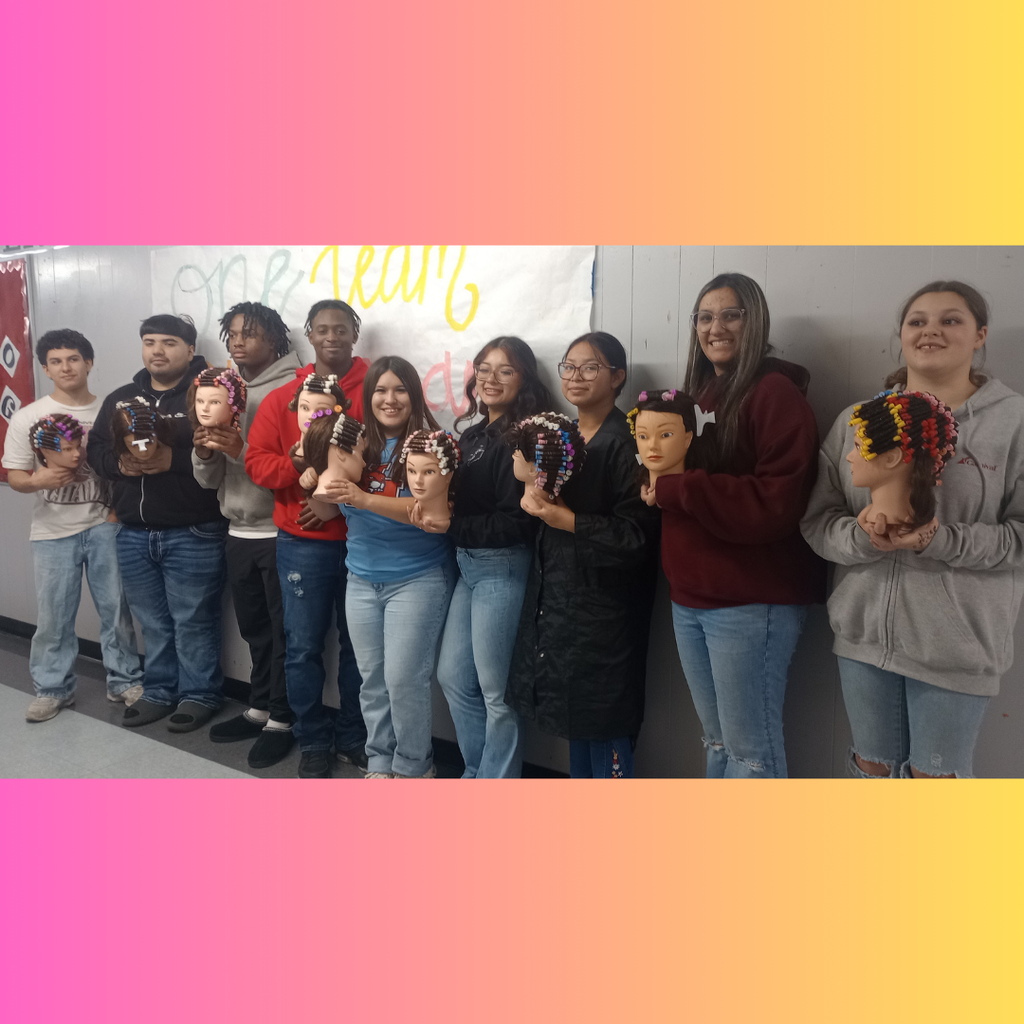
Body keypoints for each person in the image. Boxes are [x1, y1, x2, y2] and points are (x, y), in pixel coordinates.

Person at [801, 281, 1024, 779]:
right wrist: (860, 535)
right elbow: (819, 520)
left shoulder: (1014, 424)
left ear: (980, 334)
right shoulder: (857, 422)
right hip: (862, 639)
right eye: (917, 321)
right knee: (871, 772)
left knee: (934, 783)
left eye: (951, 320)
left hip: (957, 647)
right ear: (901, 335)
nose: (931, 331)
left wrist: (938, 540)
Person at [655, 273, 824, 779]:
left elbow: (776, 502)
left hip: (751, 603)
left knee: (752, 753)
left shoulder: (775, 394)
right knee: (718, 742)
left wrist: (679, 489)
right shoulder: (701, 394)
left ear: (756, 322)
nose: (716, 327)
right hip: (691, 598)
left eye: (731, 315)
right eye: (705, 317)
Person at [505, 332, 659, 779]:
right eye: (569, 366)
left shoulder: (628, 441)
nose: (575, 377)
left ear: (617, 377)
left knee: (604, 719)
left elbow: (638, 537)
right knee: (575, 719)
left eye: (590, 367)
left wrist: (567, 519)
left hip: (606, 610)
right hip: (558, 601)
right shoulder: (557, 436)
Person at [412, 337, 551, 778]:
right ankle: (478, 772)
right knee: (453, 677)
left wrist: (451, 525)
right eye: (484, 369)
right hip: (468, 567)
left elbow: (517, 523)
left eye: (505, 371)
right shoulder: (471, 435)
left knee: (496, 692)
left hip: (503, 566)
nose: (491, 379)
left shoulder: (523, 439)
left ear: (523, 378)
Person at [245, 299, 368, 778]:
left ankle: (354, 737)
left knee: (361, 649)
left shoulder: (375, 390)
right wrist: (299, 469)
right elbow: (257, 465)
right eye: (322, 329)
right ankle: (313, 738)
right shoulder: (283, 398)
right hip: (302, 543)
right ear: (310, 336)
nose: (332, 336)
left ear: (354, 333)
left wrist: (335, 502)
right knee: (302, 648)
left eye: (342, 328)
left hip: (364, 542)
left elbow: (386, 464)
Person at [317, 356, 456, 779]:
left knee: (403, 680)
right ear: (367, 395)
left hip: (417, 579)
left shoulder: (432, 444)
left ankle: (415, 768)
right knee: (371, 680)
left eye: (399, 389)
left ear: (413, 394)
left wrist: (361, 498)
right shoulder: (357, 444)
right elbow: (325, 512)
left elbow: (426, 510)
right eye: (380, 390)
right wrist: (318, 478)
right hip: (359, 578)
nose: (389, 399)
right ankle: (379, 761)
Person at [88, 313, 227, 731]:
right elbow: (95, 451)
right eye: (150, 342)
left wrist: (176, 461)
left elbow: (226, 452)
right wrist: (119, 465)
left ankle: (200, 694)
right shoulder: (121, 397)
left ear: (189, 349)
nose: (158, 351)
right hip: (132, 532)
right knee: (153, 621)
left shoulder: (209, 393)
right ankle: (159, 690)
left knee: (193, 620)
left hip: (194, 529)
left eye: (168, 343)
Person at [2, 329, 142, 722]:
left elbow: (123, 467)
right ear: (46, 368)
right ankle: (52, 689)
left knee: (116, 610)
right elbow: (14, 475)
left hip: (106, 526)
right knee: (53, 617)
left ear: (89, 363)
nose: (67, 367)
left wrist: (114, 514)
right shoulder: (28, 416)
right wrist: (36, 481)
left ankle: (124, 680)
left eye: (74, 359)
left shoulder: (110, 412)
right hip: (51, 533)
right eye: (57, 361)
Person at [192, 302, 302, 769]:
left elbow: (289, 469)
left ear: (276, 339)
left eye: (250, 334)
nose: (237, 342)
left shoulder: (296, 389)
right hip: (236, 528)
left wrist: (238, 450)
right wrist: (204, 452)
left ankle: (284, 717)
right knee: (255, 627)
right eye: (232, 334)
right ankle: (259, 707)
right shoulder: (223, 389)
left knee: (284, 632)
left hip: (279, 531)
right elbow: (208, 481)